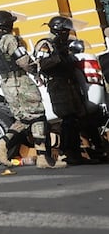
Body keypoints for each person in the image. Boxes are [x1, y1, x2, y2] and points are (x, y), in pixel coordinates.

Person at [0, 10, 66, 169]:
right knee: (37, 115)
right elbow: (23, 61)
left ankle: (4, 146)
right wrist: (36, 70)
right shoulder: (9, 39)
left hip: (7, 84)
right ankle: (40, 157)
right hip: (20, 81)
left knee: (26, 118)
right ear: (8, 24)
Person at [36, 16, 100, 164]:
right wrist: (58, 56)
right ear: (59, 30)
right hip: (57, 85)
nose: (68, 33)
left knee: (76, 118)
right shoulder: (46, 44)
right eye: (66, 30)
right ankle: (68, 153)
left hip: (69, 83)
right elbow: (41, 64)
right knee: (68, 118)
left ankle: (77, 153)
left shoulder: (62, 43)